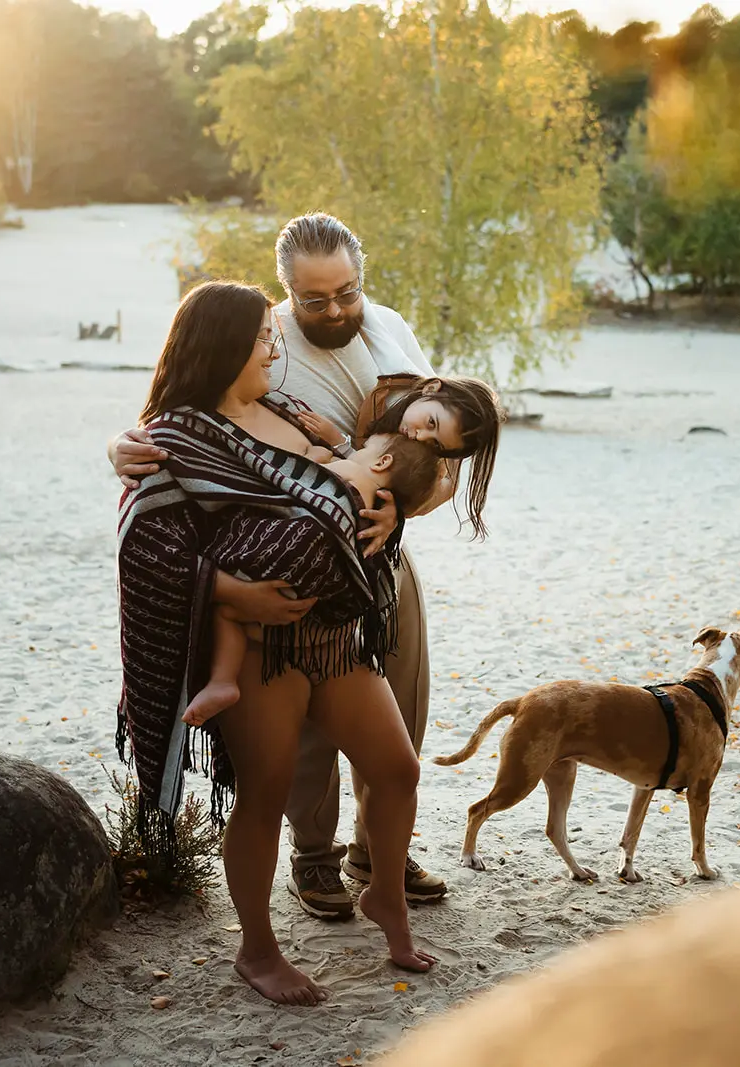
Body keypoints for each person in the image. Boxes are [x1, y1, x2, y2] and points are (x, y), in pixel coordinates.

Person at [110, 213, 504, 920]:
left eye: (347, 292)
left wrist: (400, 511)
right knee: (302, 735)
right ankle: (314, 856)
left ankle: (377, 848)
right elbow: (184, 410)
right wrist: (121, 445)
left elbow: (443, 457)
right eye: (315, 299)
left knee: (400, 705)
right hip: (289, 559)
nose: (335, 310)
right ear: (286, 289)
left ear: (362, 277)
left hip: (379, 553)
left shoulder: (388, 332)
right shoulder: (260, 339)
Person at [118, 280, 438, 1005]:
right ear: (226, 344)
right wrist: (235, 595)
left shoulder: (289, 410)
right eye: (264, 336)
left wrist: (388, 520)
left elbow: (365, 478)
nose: (274, 346)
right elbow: (146, 546)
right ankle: (257, 949)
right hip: (259, 649)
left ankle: (385, 895)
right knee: (263, 796)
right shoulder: (172, 436)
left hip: (331, 635)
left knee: (397, 769)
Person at [181, 432, 442, 728]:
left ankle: (222, 678)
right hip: (317, 591)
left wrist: (314, 455)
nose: (354, 452)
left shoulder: (350, 473)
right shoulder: (376, 509)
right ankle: (224, 680)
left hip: (286, 559)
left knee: (226, 611)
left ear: (382, 462)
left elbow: (297, 478)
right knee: (233, 615)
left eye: (364, 449)